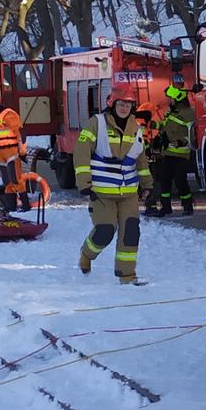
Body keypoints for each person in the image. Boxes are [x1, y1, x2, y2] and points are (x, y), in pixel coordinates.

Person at [73, 87, 152, 285]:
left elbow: (140, 159)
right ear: (112, 104)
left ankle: (127, 275)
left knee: (131, 231)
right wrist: (84, 183)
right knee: (105, 231)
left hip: (129, 192)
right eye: (121, 103)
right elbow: (81, 152)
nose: (125, 107)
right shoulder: (96, 123)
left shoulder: (136, 127)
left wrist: (147, 184)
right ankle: (87, 254)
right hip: (101, 192)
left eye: (128, 104)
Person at [149, 86, 199, 217]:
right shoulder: (171, 112)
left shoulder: (189, 113)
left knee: (180, 180)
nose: (168, 101)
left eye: (170, 98)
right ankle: (166, 207)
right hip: (168, 154)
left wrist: (180, 142)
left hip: (181, 154)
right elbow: (166, 126)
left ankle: (188, 206)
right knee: (165, 180)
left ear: (177, 99)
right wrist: (155, 127)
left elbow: (194, 133)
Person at [0, 95, 26, 189]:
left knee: (15, 179)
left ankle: (24, 201)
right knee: (7, 181)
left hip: (12, 153)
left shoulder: (9, 115)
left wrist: (22, 152)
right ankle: (11, 201)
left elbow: (19, 135)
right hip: (2, 155)